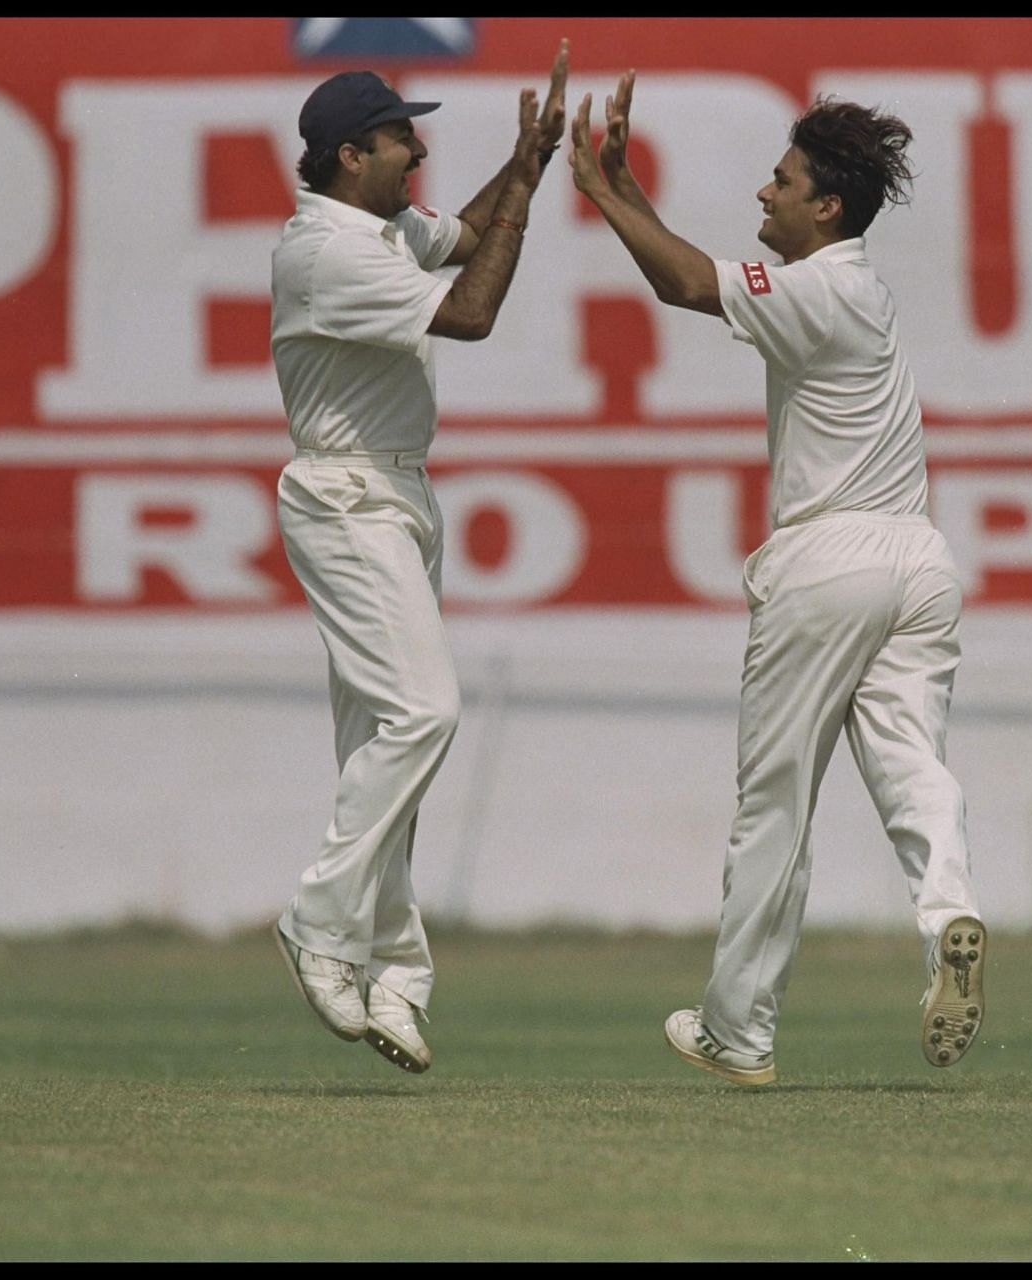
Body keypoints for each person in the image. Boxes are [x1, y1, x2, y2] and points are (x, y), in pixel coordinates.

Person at [570, 76, 986, 1086]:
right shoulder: (860, 288)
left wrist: (601, 189)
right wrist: (622, 189)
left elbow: (683, 284)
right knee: (911, 764)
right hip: (918, 561)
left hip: (829, 560)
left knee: (774, 803)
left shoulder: (822, 287)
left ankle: (739, 1031)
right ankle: (950, 915)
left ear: (827, 207)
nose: (764, 194)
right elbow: (697, 267)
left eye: (783, 179)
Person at [268, 45, 568, 1074]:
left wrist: (524, 166)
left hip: (396, 493)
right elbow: (473, 309)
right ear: (352, 155)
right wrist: (524, 205)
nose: (419, 145)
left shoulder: (381, 225)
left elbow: (466, 233)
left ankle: (391, 967)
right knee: (425, 712)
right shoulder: (326, 252)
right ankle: (318, 919)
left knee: (377, 749)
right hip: (346, 491)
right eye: (401, 134)